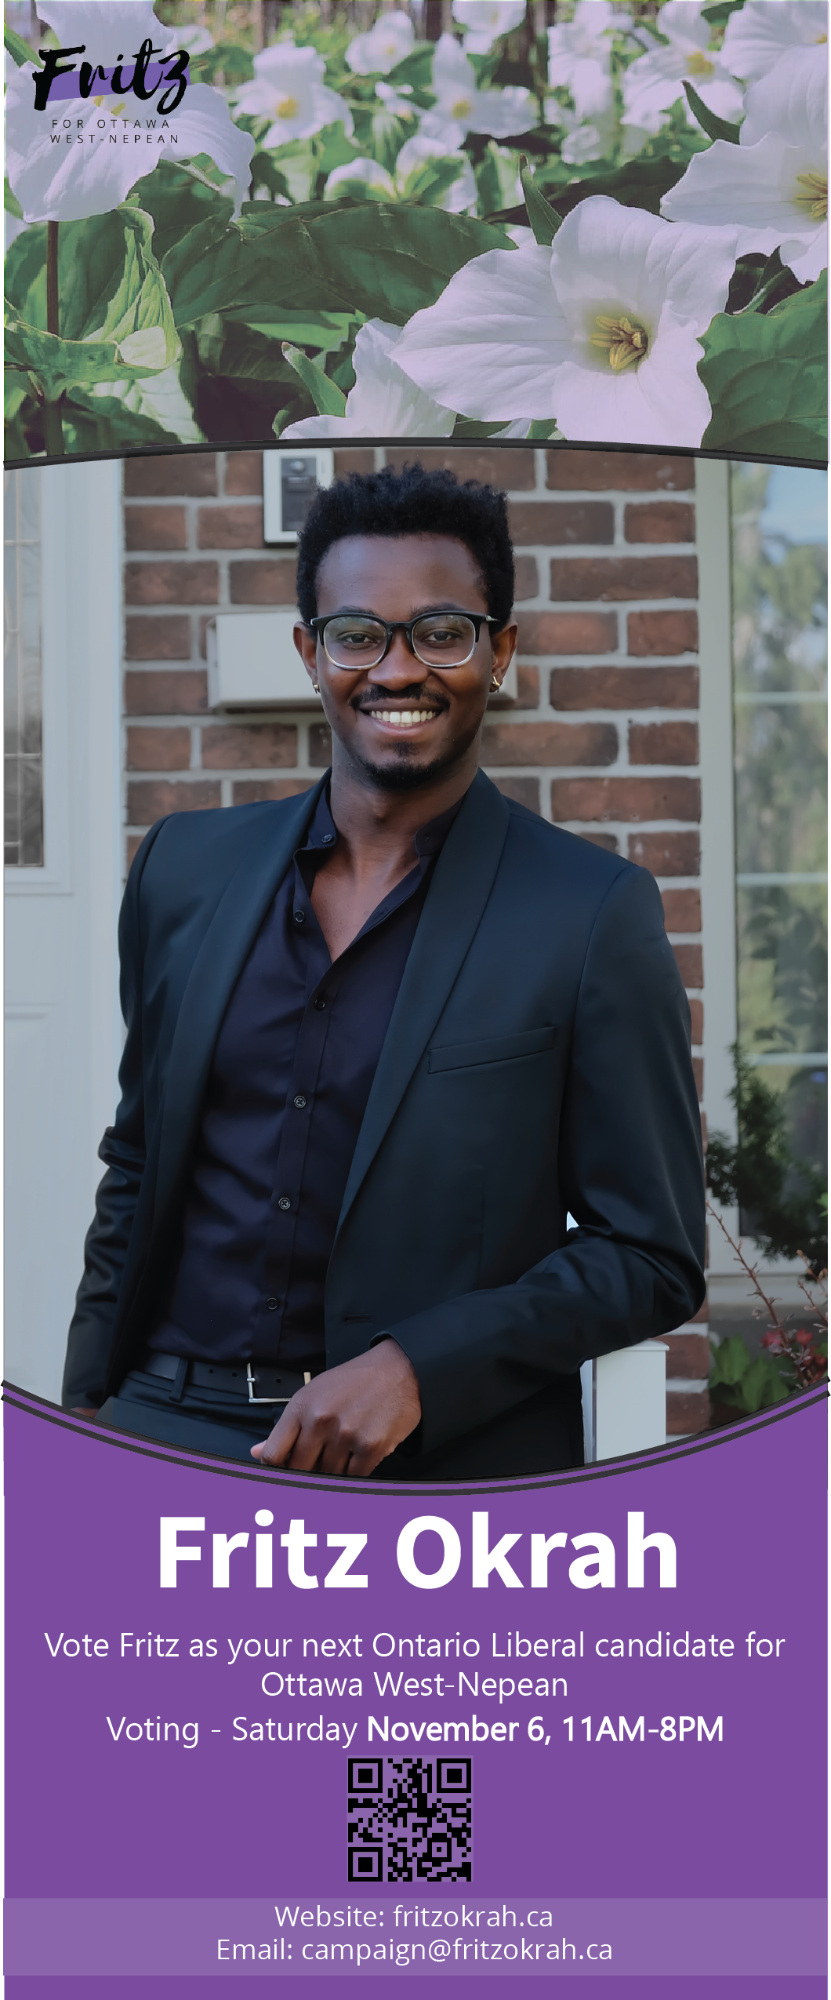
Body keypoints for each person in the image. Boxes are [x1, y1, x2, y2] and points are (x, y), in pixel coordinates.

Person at [63, 462, 705, 1479]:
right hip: (165, 1423)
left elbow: (650, 1254)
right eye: (358, 633)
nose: (397, 669)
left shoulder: (590, 913)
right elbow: (138, 1161)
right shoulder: (183, 868)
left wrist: (417, 1368)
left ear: (498, 652)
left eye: (441, 632)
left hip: (429, 1459)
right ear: (310, 654)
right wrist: (87, 1405)